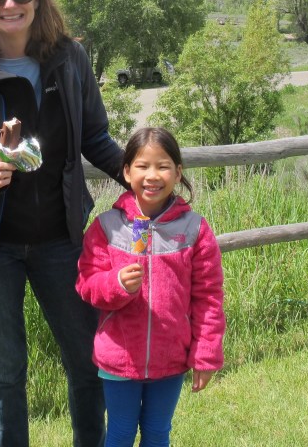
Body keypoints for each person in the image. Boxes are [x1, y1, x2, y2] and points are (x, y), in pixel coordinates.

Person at [0, 0, 125, 447]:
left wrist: (140, 177)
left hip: (61, 239)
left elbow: (95, 137)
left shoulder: (69, 59)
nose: (10, 4)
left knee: (87, 359)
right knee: (6, 372)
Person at [76, 127, 226, 447]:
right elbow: (86, 283)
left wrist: (206, 353)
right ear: (127, 172)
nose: (153, 176)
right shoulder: (107, 226)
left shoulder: (194, 229)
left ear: (178, 173)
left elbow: (208, 297)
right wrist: (117, 284)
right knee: (120, 432)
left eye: (163, 166)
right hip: (119, 357)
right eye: (142, 166)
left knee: (158, 431)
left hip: (169, 357)